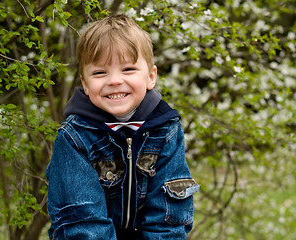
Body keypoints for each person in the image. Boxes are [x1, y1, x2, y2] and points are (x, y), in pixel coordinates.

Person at [46, 14, 199, 240]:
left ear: (151, 76)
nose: (115, 80)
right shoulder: (74, 137)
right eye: (99, 72)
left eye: (128, 69)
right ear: (85, 84)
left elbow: (169, 218)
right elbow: (83, 225)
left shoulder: (166, 130)